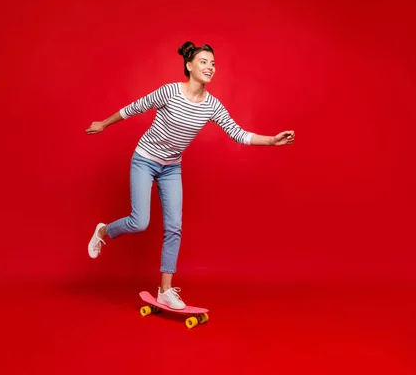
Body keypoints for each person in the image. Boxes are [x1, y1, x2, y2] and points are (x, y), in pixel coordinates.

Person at [85, 41, 295, 310]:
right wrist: (103, 123)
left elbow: (238, 133)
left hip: (172, 168)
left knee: (174, 227)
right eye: (204, 62)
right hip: (145, 161)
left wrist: (271, 140)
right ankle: (103, 231)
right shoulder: (170, 92)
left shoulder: (212, 106)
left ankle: (165, 291)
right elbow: (134, 107)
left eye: (213, 63)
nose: (210, 67)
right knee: (140, 223)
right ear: (189, 66)